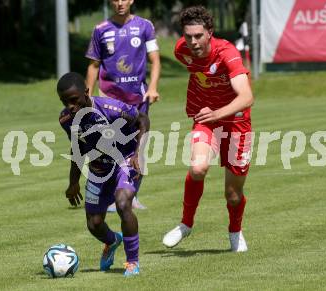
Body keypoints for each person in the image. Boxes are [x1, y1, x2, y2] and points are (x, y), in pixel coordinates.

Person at [162, 6, 254, 252]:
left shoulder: (228, 53)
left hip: (236, 123)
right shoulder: (181, 50)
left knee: (233, 194)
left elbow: (246, 97)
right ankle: (186, 224)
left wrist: (217, 111)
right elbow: (197, 72)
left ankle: (235, 231)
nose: (192, 42)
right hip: (206, 119)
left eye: (198, 36)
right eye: (188, 36)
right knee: (198, 167)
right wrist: (208, 110)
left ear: (210, 32)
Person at [58, 72, 149, 276]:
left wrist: (139, 153)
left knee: (123, 203)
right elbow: (77, 149)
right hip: (99, 168)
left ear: (86, 92)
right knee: (94, 223)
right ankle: (112, 241)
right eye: (65, 101)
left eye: (73, 100)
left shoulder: (112, 109)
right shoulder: (66, 120)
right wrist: (73, 183)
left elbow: (143, 120)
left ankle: (132, 262)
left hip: (126, 160)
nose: (70, 106)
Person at [85, 0, 161, 210]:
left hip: (138, 98)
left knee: (139, 146)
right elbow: (93, 65)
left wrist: (153, 87)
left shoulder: (145, 26)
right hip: (110, 99)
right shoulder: (100, 30)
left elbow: (155, 60)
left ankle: (132, 193)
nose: (120, 3)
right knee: (111, 146)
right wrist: (87, 96)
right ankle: (111, 195)